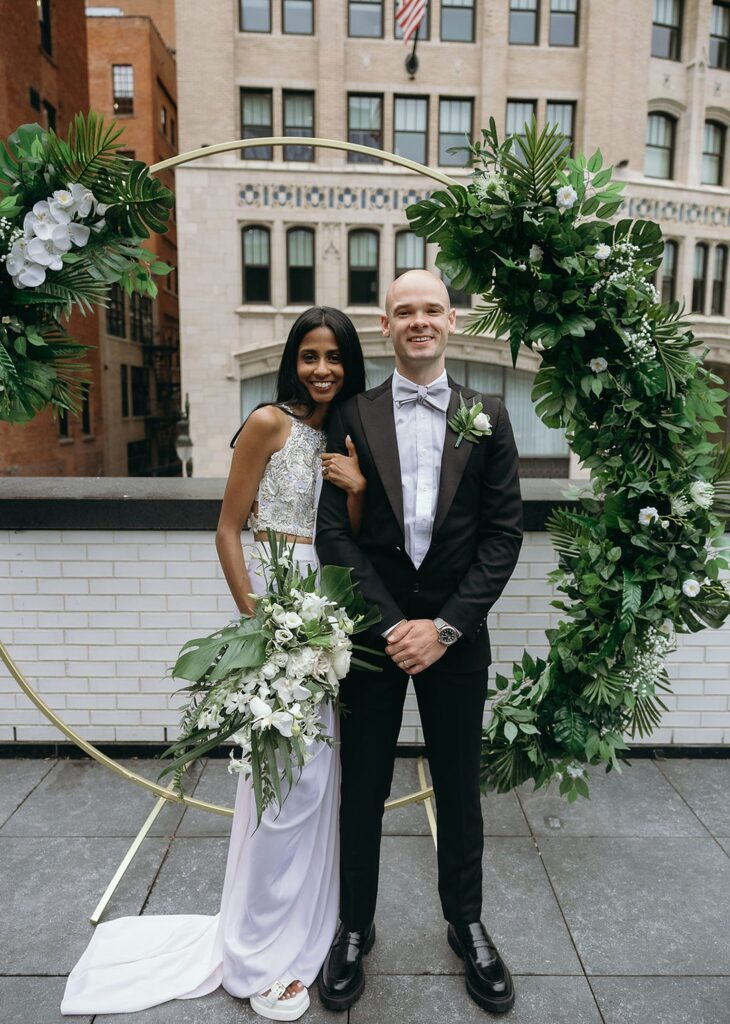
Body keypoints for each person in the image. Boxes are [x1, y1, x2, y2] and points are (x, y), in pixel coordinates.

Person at [61, 307, 367, 1022]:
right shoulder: (268, 423)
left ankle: (302, 928)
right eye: (310, 355)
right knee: (280, 784)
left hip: (325, 611)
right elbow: (229, 527)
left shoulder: (347, 434)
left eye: (335, 357)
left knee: (318, 780)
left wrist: (356, 489)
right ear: (293, 359)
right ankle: (261, 950)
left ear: (351, 363)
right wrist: (254, 615)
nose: (322, 369)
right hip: (276, 607)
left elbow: (349, 536)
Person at [315, 269, 523, 1016]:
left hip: (456, 638)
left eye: (432, 308)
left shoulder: (490, 415)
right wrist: (389, 623)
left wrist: (444, 627)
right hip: (373, 636)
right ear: (385, 325)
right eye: (405, 311)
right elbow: (333, 535)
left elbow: (502, 537)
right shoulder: (350, 414)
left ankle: (466, 923)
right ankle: (352, 927)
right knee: (361, 786)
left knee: (461, 788)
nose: (420, 321)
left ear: (453, 321)